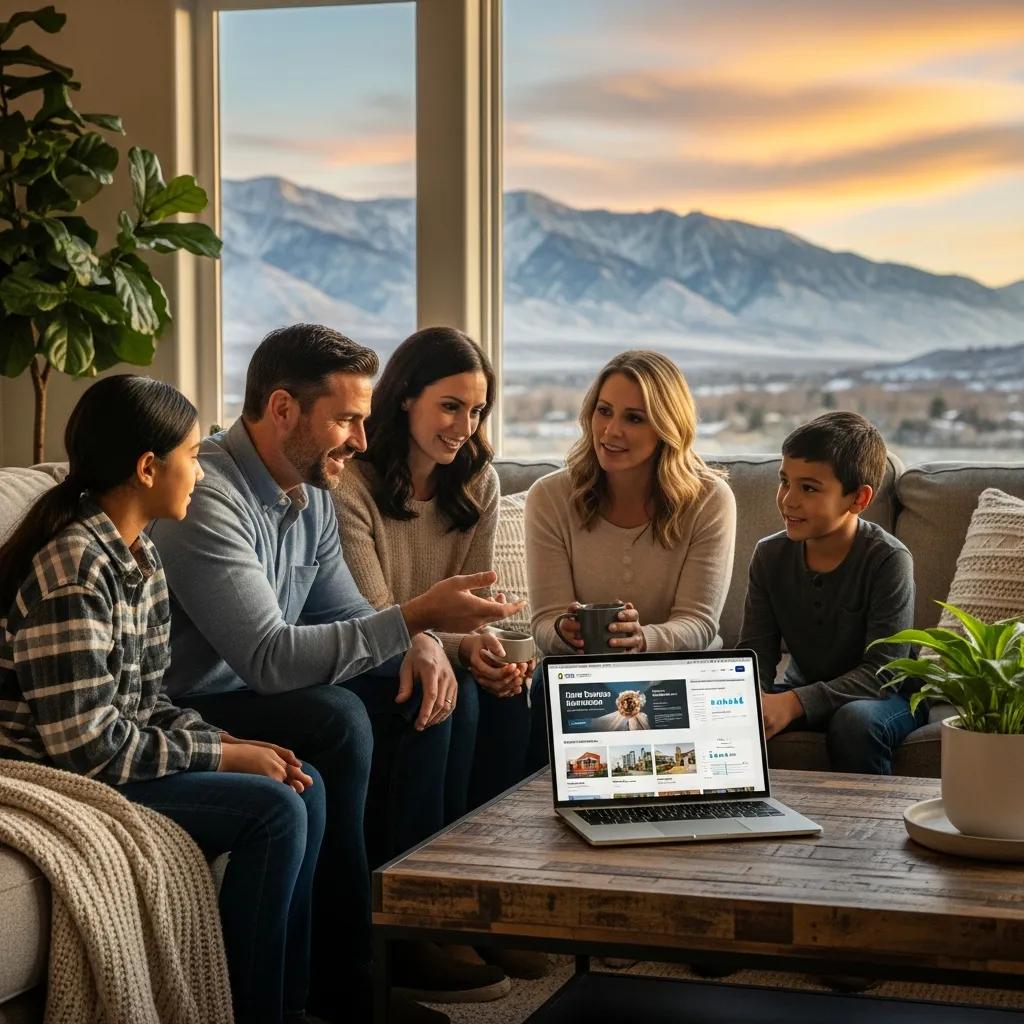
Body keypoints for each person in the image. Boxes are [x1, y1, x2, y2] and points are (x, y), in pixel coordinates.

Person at [148, 324, 523, 1022]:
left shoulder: (312, 486)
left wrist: (422, 645)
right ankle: (348, 982)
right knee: (338, 717)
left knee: (427, 694)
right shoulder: (207, 494)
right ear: (284, 408)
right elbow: (267, 655)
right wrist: (411, 622)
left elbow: (344, 609)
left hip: (263, 690)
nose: (360, 438)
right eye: (348, 419)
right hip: (194, 706)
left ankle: (406, 942)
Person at [0, 376, 325, 1024]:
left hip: (101, 755)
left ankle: (289, 1006)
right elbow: (87, 747)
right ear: (149, 468)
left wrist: (230, 744)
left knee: (303, 782)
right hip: (59, 772)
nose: (201, 473)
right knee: (273, 813)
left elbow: (147, 701)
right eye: (192, 456)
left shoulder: (139, 555)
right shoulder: (74, 570)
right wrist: (224, 760)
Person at [334, 326, 532, 817]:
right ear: (404, 398)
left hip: (436, 650)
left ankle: (495, 856)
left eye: (476, 411)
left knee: (513, 688)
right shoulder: (350, 484)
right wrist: (460, 645)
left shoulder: (478, 482)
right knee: (452, 691)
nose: (465, 426)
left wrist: (485, 648)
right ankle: (427, 869)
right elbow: (374, 616)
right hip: (370, 659)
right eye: (450, 406)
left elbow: (469, 613)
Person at [524, 350, 737, 772]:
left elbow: (699, 623)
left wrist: (643, 642)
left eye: (634, 418)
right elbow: (544, 624)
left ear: (667, 428)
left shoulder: (710, 500)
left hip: (678, 674)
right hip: (583, 679)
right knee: (549, 688)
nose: (611, 430)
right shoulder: (549, 498)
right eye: (604, 411)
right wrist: (566, 634)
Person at [738, 411, 921, 775]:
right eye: (784, 481)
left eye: (808, 488)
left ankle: (868, 830)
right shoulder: (769, 555)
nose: (788, 500)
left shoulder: (889, 560)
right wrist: (749, 700)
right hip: (802, 689)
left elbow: (883, 671)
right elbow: (756, 652)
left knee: (855, 722)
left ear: (858, 499)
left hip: (886, 697)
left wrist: (793, 703)